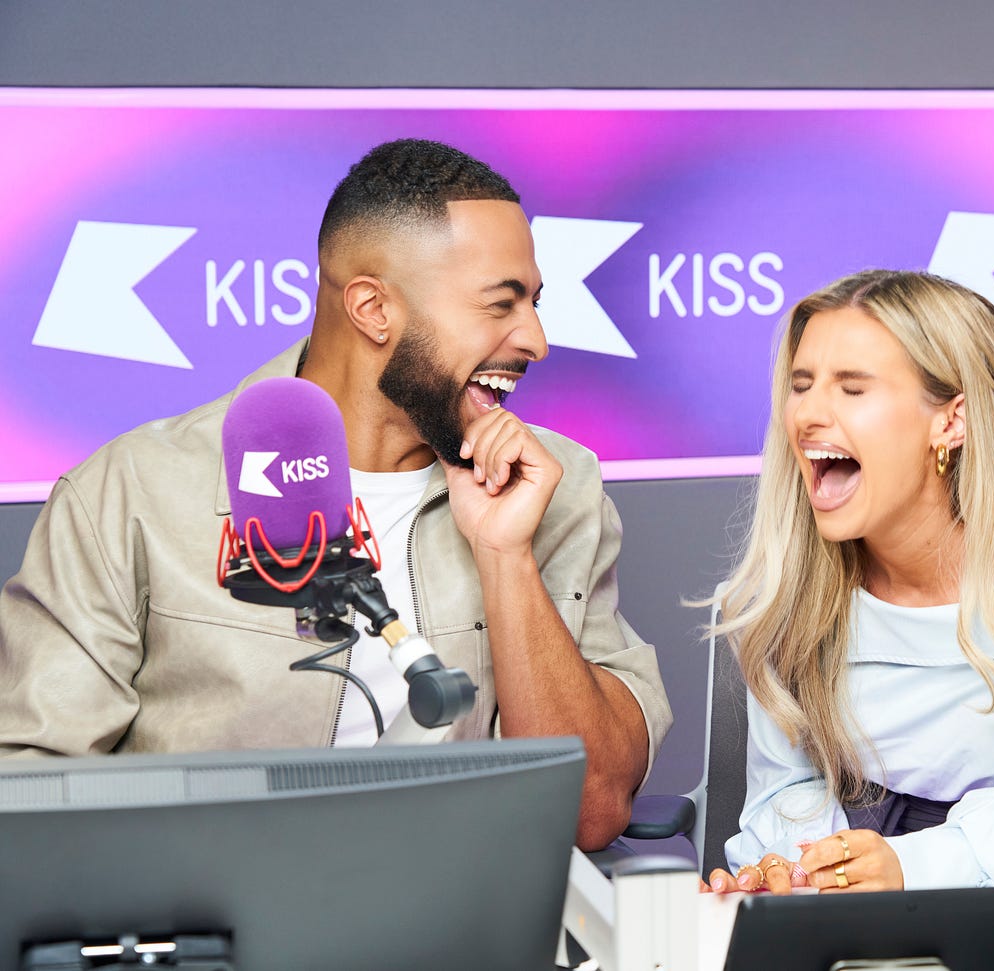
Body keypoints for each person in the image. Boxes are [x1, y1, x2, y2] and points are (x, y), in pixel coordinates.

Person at [0, 138, 671, 850]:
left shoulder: (555, 486)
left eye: (534, 304)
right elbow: (29, 790)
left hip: (464, 910)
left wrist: (507, 557)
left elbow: (591, 809)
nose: (535, 339)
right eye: (501, 304)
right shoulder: (132, 493)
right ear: (373, 308)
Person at [705, 269, 994, 893]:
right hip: (851, 875)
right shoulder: (795, 554)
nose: (808, 414)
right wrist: (797, 873)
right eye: (801, 385)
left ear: (952, 420)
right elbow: (786, 792)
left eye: (852, 388)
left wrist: (919, 865)